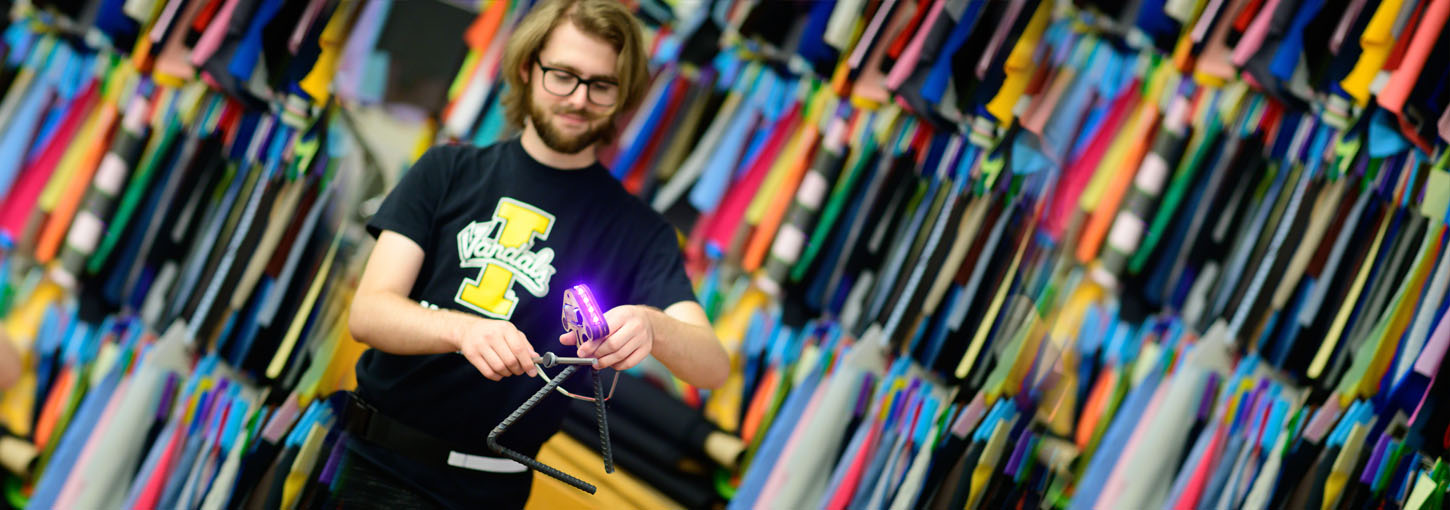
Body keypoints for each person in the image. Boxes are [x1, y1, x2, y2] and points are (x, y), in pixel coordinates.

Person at [338, 0, 729, 508]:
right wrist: (463, 330)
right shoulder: (446, 169)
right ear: (528, 69)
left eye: (601, 85)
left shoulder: (641, 233)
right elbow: (369, 313)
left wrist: (655, 327)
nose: (579, 99)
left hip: (490, 491)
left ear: (624, 94)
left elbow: (712, 368)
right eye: (563, 75)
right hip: (371, 460)